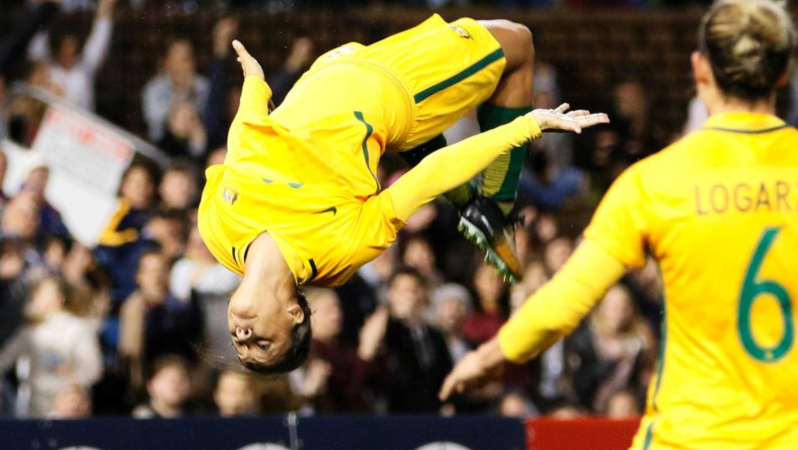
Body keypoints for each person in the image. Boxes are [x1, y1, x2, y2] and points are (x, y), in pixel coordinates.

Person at [441, 1, 798, 449]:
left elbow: (565, 301)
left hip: (688, 437)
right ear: (784, 72)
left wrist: (487, 358)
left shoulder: (655, 182)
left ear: (700, 69)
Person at [198, 15, 608, 374]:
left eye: (239, 343)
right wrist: (528, 125)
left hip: (332, 69)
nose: (243, 334)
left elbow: (244, 146)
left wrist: (254, 84)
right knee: (518, 42)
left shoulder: (216, 232)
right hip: (401, 89)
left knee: (409, 137)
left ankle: (464, 196)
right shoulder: (336, 252)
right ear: (294, 314)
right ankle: (497, 206)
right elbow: (427, 178)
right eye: (262, 343)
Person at [27, 0, 116, 111]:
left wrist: (106, 6)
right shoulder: (45, 66)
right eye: (64, 47)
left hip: (82, 125)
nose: (68, 52)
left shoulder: (85, 66)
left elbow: (101, 34)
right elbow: (36, 36)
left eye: (72, 47)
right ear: (56, 49)